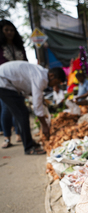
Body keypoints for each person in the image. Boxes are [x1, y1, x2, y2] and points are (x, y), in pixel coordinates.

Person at [0, 61, 66, 155]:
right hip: (3, 82)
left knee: (21, 113)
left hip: (6, 80)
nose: (55, 85)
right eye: (56, 82)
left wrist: (40, 98)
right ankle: (29, 147)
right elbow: (37, 105)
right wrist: (44, 125)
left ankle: (28, 141)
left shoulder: (41, 73)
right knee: (22, 114)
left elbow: (33, 92)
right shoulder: (40, 78)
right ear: (51, 76)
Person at [0, 19, 27, 148]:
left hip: (19, 83)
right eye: (6, 30)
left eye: (12, 30)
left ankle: (19, 133)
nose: (10, 33)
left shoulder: (19, 47)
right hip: (4, 83)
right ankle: (6, 137)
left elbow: (25, 64)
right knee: (6, 109)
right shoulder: (1, 48)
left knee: (19, 108)